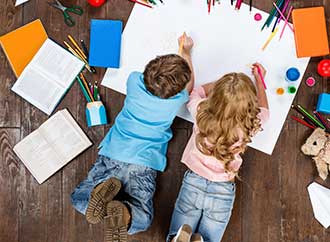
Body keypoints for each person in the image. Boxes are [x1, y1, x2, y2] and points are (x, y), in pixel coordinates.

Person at [71, 33, 195, 242]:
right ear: (175, 93)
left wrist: (177, 54)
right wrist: (186, 52)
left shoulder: (134, 80)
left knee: (79, 198)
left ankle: (106, 201)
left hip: (114, 153)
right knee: (142, 219)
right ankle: (124, 212)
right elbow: (189, 85)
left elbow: (165, 78)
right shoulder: (177, 100)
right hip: (143, 164)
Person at [167, 64, 269, 242]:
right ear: (249, 106)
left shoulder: (202, 112)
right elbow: (265, 111)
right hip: (222, 189)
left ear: (215, 98)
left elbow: (195, 92)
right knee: (209, 238)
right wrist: (259, 81)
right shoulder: (250, 124)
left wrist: (221, 85)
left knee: (178, 233)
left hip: (194, 182)